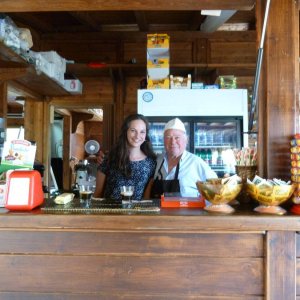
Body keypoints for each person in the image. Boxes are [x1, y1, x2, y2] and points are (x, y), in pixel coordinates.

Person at [94, 114, 156, 200]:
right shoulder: (109, 158)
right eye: (133, 130)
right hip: (109, 212)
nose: (137, 136)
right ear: (125, 131)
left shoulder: (151, 162)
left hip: (137, 212)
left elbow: (146, 197)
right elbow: (97, 193)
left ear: (146, 135)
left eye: (142, 132)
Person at [151, 117, 217, 198]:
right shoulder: (158, 160)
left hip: (187, 210)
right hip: (158, 210)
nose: (172, 142)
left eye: (177, 137)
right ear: (163, 140)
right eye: (168, 137)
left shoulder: (196, 162)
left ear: (186, 140)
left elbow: (216, 189)